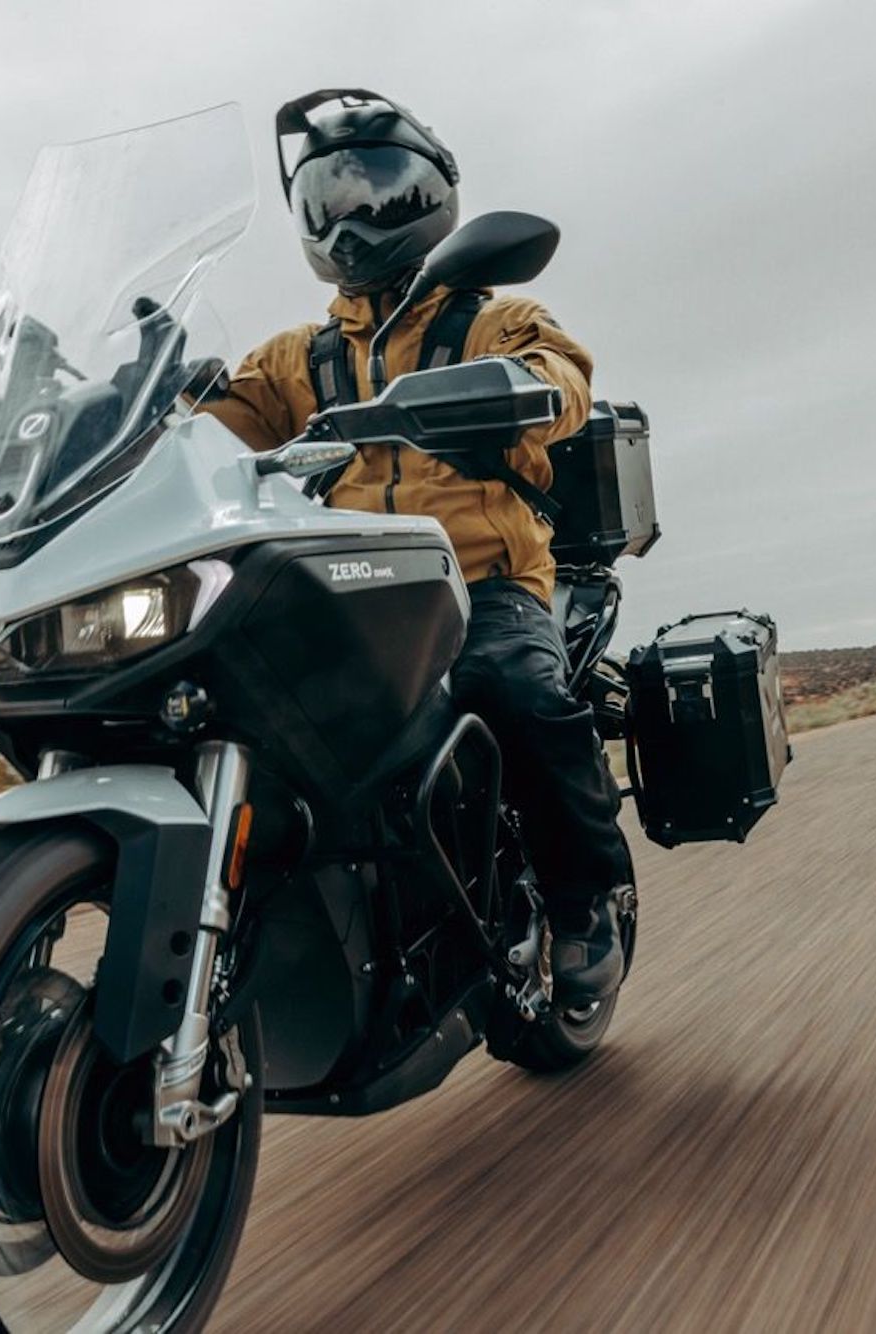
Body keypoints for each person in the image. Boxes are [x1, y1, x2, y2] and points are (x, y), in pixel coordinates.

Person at [198, 89, 631, 1005]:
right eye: (327, 197)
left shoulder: (491, 320)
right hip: (350, 591)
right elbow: (211, 428)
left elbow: (566, 381)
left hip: (486, 582)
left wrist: (521, 386)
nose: (350, 216)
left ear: (430, 196)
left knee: (518, 691)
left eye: (375, 188)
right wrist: (134, 404)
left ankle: (584, 899)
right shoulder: (295, 359)